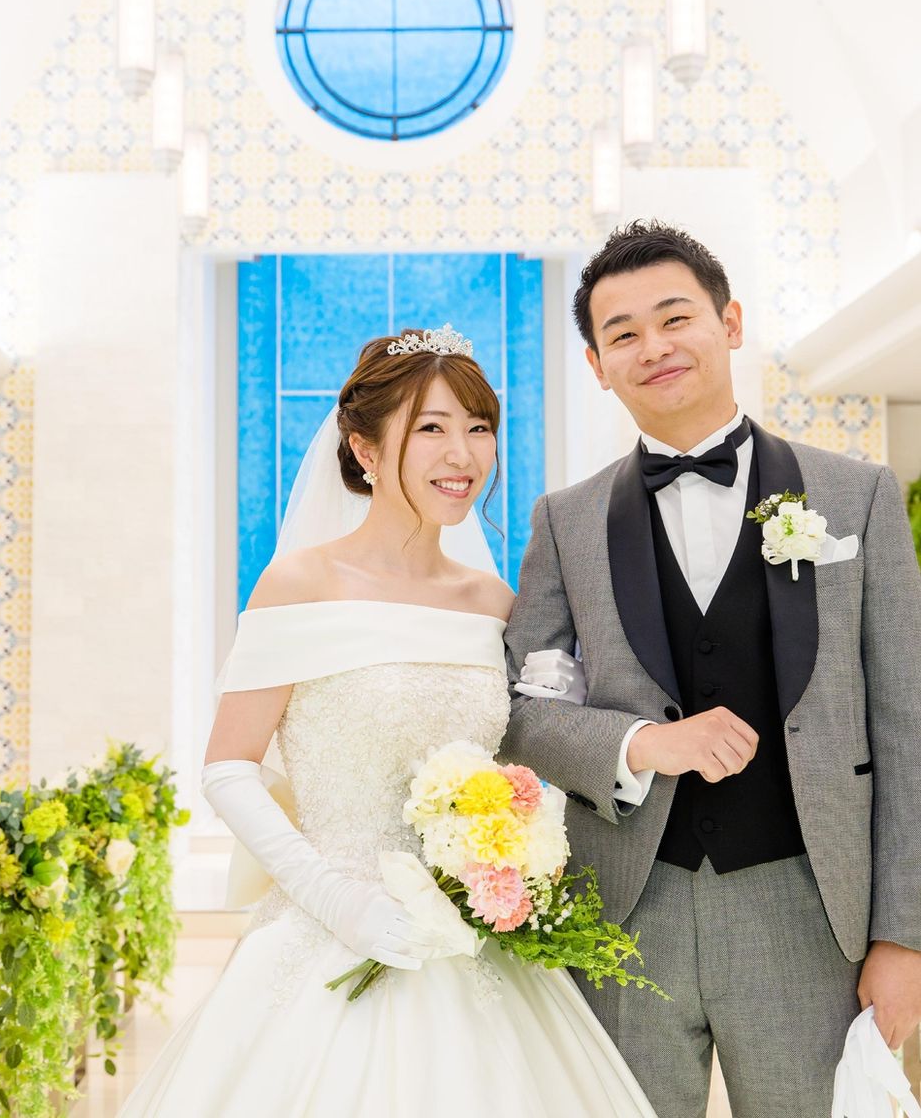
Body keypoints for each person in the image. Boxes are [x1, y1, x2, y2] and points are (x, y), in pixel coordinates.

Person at [118, 327, 658, 1116]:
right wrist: (337, 899)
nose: (462, 454)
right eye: (431, 428)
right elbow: (228, 769)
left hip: (475, 941)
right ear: (365, 449)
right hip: (330, 928)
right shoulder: (299, 584)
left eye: (478, 428)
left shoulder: (493, 603)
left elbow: (529, 746)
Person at [503, 220, 921, 1118]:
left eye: (674, 317)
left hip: (809, 911)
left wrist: (904, 937)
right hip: (623, 911)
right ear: (597, 365)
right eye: (622, 334)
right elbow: (522, 717)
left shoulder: (858, 496)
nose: (652, 347)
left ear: (729, 323)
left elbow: (907, 725)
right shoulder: (564, 521)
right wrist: (640, 744)